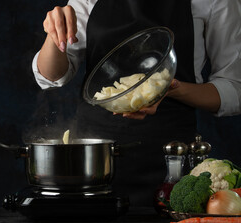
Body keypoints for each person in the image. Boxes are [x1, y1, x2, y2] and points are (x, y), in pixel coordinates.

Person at [32, 0, 241, 206]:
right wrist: (54, 36)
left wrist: (171, 89)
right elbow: (51, 77)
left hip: (172, 159)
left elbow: (234, 88)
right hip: (93, 159)